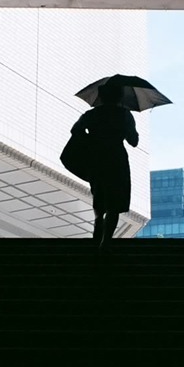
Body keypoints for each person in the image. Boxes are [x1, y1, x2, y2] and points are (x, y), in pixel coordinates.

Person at [71, 82, 139, 249]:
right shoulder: (124, 115)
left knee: (99, 194)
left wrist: (90, 139)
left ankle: (97, 228)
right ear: (120, 97)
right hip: (116, 158)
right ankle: (106, 240)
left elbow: (75, 130)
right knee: (114, 201)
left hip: (97, 158)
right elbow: (134, 141)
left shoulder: (92, 115)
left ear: (101, 96)